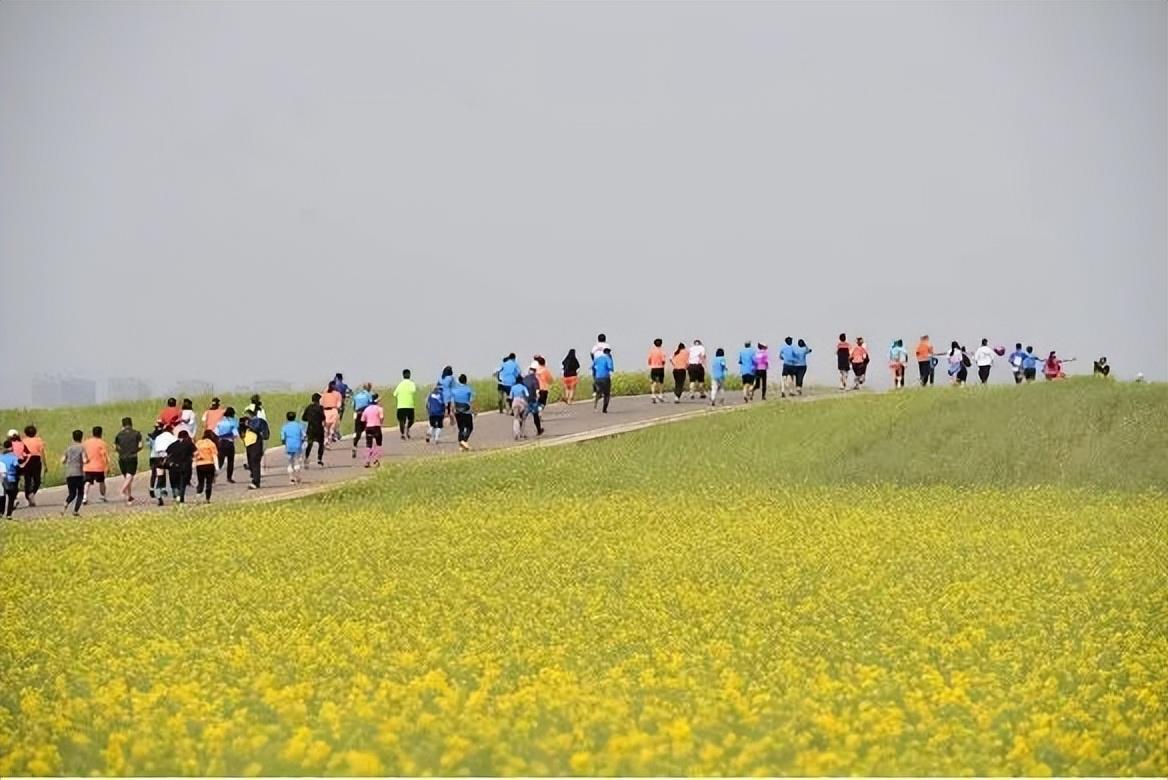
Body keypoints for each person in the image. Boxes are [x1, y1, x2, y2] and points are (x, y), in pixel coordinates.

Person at [113, 417, 142, 504]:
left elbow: (115, 447)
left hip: (122, 457)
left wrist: (121, 451)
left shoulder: (119, 435)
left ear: (123, 424)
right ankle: (122, 489)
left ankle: (129, 497)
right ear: (131, 423)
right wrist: (135, 450)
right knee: (130, 475)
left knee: (126, 477)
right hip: (132, 456)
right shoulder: (137, 433)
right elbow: (140, 445)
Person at [61, 429, 87, 517]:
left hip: (69, 473)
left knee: (72, 493)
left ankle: (65, 504)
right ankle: (75, 510)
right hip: (79, 473)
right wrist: (87, 461)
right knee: (80, 493)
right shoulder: (82, 447)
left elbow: (63, 460)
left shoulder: (68, 448)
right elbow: (84, 459)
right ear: (81, 437)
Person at [165, 430, 196, 504]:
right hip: (185, 466)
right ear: (186, 436)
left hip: (173, 466)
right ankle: (181, 497)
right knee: (183, 483)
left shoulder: (172, 445)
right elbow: (195, 453)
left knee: (175, 482)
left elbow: (167, 453)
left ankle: (176, 496)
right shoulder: (189, 444)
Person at [149, 424, 177, 504]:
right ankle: (175, 494)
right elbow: (176, 447)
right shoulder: (172, 437)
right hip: (169, 458)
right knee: (173, 477)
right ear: (171, 430)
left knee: (160, 478)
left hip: (159, 458)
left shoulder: (158, 437)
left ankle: (159, 496)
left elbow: (156, 448)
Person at [82, 426, 110, 504]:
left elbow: (83, 453)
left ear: (92, 433)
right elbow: (104, 455)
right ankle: (103, 496)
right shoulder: (102, 443)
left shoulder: (86, 443)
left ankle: (85, 497)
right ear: (101, 433)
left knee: (87, 482)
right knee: (101, 481)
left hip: (88, 466)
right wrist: (107, 465)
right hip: (99, 466)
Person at [19, 425, 45, 507]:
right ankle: (32, 494)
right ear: (35, 432)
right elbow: (42, 453)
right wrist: (45, 464)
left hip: (26, 461)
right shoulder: (39, 440)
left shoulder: (23, 441)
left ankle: (29, 496)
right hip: (36, 460)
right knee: (37, 480)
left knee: (28, 480)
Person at [241, 413, 268, 489]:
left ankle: (256, 482)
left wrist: (249, 425)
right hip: (249, 444)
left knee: (255, 462)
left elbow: (264, 434)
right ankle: (254, 478)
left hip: (256, 444)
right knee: (251, 463)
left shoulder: (258, 422)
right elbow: (242, 433)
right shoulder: (245, 423)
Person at [214, 407, 240, 482]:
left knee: (220, 461)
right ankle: (229, 477)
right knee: (230, 461)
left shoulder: (220, 422)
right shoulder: (233, 422)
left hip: (221, 442)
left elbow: (216, 432)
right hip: (229, 443)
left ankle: (214, 474)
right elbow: (236, 434)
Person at [360, 393, 385, 466]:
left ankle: (367, 460)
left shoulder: (366, 409)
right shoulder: (379, 409)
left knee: (368, 444)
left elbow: (362, 420)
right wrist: (381, 423)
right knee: (378, 444)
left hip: (368, 427)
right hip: (376, 427)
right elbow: (381, 417)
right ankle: (376, 459)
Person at [452, 374, 475, 451]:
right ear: (466, 380)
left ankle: (461, 446)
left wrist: (452, 411)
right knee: (470, 427)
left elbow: (452, 402)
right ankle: (464, 441)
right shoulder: (469, 389)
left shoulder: (454, 390)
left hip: (457, 411)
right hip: (466, 411)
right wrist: (474, 411)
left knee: (461, 428)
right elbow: (471, 401)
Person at [302, 394, 326, 467]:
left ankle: (306, 458)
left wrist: (310, 419)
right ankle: (319, 459)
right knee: (321, 444)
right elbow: (323, 417)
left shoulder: (308, 407)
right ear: (318, 400)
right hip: (319, 428)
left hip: (310, 428)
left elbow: (303, 418)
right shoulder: (320, 408)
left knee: (310, 444)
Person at [350, 382, 373, 458]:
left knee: (358, 432)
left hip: (358, 414)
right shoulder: (369, 395)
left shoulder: (356, 396)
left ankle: (354, 446)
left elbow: (353, 405)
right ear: (369, 388)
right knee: (369, 431)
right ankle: (368, 449)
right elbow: (371, 404)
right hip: (366, 414)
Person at [280, 411, 304, 484]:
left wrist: (285, 443)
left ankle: (291, 478)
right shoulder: (299, 425)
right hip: (297, 446)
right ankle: (298, 477)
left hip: (289, 446)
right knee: (297, 461)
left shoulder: (285, 427)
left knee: (290, 462)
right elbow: (303, 436)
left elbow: (283, 438)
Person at [194, 431, 218, 502]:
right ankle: (207, 498)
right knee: (209, 482)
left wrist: (194, 464)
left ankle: (198, 496)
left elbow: (195, 454)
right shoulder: (211, 444)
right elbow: (214, 456)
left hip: (200, 464)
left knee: (200, 482)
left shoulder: (198, 443)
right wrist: (217, 468)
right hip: (209, 464)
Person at [394, 369, 417, 439]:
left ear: (403, 375)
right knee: (411, 420)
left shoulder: (400, 384)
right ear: (409, 375)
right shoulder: (412, 383)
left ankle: (402, 434)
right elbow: (414, 391)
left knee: (401, 420)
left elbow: (394, 394)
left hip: (401, 406)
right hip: (410, 405)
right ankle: (407, 429)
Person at [522, 366, 544, 435]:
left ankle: (520, 432)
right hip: (532, 400)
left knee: (523, 416)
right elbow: (537, 391)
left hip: (525, 399)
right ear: (535, 373)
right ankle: (539, 430)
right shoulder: (535, 380)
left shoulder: (524, 379)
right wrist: (538, 398)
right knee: (535, 415)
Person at [1, 438, 19, 518]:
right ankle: (9, 514)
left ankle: (1, 512)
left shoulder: (1, 457)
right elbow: (17, 466)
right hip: (12, 479)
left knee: (2, 496)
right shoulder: (14, 457)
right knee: (11, 498)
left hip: (1, 480)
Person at [593, 347, 614, 413]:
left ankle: (595, 404)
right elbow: (611, 368)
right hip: (605, 377)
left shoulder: (598, 358)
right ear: (609, 353)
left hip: (597, 377)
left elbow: (593, 366)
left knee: (599, 392)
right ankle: (604, 409)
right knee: (607, 394)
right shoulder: (608, 358)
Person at [321, 381, 342, 446]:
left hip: (325, 411)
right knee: (332, 428)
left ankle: (326, 440)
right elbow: (339, 405)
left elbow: (321, 403)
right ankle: (329, 442)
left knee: (325, 428)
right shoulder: (338, 394)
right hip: (334, 411)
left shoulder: (324, 394)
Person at [647, 339, 667, 403]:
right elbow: (663, 360)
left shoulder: (652, 351)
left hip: (653, 367)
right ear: (661, 344)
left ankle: (653, 394)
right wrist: (662, 364)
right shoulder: (662, 351)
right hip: (660, 367)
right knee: (661, 382)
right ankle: (660, 394)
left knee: (653, 381)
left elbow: (649, 359)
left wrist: (651, 364)